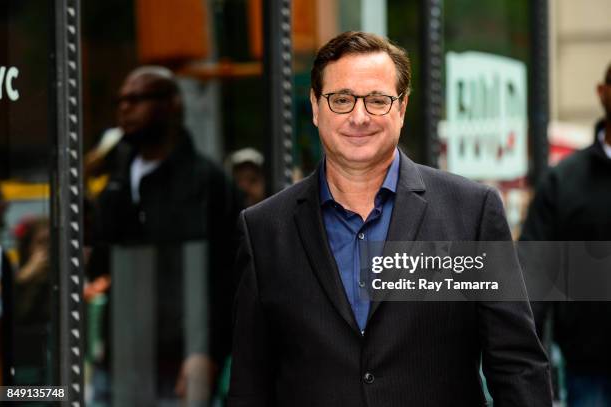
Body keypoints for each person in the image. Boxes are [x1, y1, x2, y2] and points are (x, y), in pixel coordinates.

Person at [228, 31, 552, 407]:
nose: (359, 117)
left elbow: (517, 365)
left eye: (378, 100)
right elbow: (250, 384)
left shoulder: (472, 213)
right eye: (342, 100)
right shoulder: (264, 230)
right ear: (316, 106)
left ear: (402, 107)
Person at [92, 66, 242, 402]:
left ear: (172, 104)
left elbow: (227, 275)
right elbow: (102, 261)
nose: (125, 109)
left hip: (179, 364)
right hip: (121, 359)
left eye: (137, 99)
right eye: (120, 101)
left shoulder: (206, 181)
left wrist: (207, 352)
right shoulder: (117, 179)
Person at [521, 62, 611, 406]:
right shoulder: (565, 181)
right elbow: (533, 274)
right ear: (602, 93)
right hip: (589, 367)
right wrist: (529, 362)